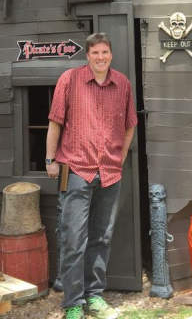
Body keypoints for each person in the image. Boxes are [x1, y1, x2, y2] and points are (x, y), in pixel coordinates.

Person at [46, 33, 138, 319]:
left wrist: (118, 160)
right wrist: (50, 159)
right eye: (95, 53)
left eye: (105, 52)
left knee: (102, 237)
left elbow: (129, 126)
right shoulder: (70, 80)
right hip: (75, 170)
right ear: (87, 55)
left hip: (110, 173)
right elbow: (55, 123)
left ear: (111, 54)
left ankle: (94, 296)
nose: (101, 57)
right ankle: (73, 303)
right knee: (74, 238)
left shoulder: (122, 84)